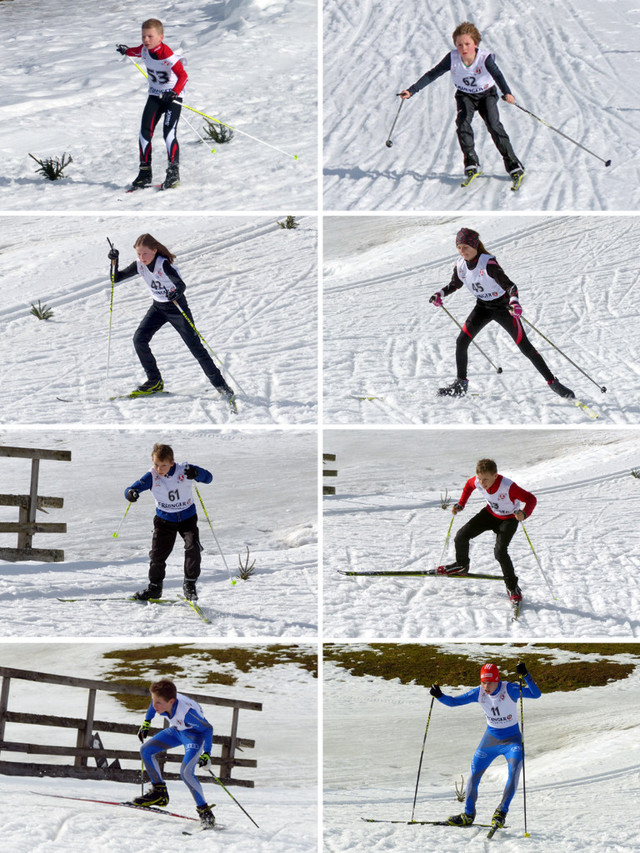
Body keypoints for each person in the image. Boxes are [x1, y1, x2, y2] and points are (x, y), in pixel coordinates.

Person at [431, 227, 575, 400]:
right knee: (461, 341)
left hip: (503, 308)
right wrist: (440, 294)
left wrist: (514, 301)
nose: (462, 251)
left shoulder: (488, 263)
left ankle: (553, 383)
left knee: (525, 346)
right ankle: (461, 384)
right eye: (459, 247)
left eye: (466, 247)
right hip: (482, 308)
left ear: (475, 245)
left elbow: (510, 286)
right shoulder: (460, 266)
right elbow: (455, 284)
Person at [108, 233, 236, 408]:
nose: (141, 257)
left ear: (154, 250)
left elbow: (180, 284)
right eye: (138, 254)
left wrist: (175, 292)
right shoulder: (139, 265)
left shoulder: (163, 264)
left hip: (177, 309)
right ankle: (154, 382)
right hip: (158, 308)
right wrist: (114, 262)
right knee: (139, 339)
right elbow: (115, 279)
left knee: (196, 348)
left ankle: (222, 386)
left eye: (144, 253)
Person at [400, 21, 523, 183]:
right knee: (463, 123)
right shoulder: (452, 58)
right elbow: (433, 74)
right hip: (465, 96)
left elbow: (498, 76)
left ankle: (513, 163)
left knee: (494, 125)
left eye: (467, 44)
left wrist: (507, 92)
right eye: (459, 45)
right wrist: (412, 90)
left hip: (487, 95)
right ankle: (471, 161)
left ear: (475, 44)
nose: (463, 48)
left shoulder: (484, 58)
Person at [429, 661, 540, 828]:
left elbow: (536, 694)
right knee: (474, 773)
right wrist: (439, 696)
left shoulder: (509, 689)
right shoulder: (479, 693)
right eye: (483, 682)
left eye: (489, 682)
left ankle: (501, 812)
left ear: (497, 680)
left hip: (512, 740)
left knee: (515, 770)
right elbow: (454, 702)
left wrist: (525, 675)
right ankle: (468, 815)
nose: (486, 686)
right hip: (491, 739)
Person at [438, 458, 536, 604]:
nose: (482, 483)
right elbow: (468, 486)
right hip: (490, 514)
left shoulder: (508, 486)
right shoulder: (477, 481)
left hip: (509, 519)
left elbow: (531, 499)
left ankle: (513, 587)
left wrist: (525, 513)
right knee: (461, 536)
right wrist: (461, 504)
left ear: (495, 476)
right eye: (480, 479)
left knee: (500, 552)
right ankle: (461, 566)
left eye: (486, 479)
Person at [125, 442, 212, 601]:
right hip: (164, 521)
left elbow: (209, 478)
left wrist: (197, 473)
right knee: (157, 555)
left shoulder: (184, 470)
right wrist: (132, 493)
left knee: (193, 548)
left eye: (163, 465)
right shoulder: (152, 476)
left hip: (187, 518)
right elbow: (133, 488)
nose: (159, 469)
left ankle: (190, 585)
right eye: (156, 464)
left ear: (172, 463)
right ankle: (155, 588)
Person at [116, 18, 187, 190]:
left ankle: (173, 173)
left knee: (168, 134)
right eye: (143, 36)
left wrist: (174, 93)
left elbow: (183, 76)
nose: (146, 40)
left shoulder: (166, 54)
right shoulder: (144, 50)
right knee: (144, 132)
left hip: (172, 98)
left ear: (160, 37)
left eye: (150, 36)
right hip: (155, 96)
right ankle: (145, 172)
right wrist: (126, 51)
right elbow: (136, 51)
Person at [135, 678, 215, 828]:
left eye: (158, 703)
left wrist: (207, 753)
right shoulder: (163, 701)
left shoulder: (188, 713)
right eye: (153, 700)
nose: (154, 705)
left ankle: (205, 812)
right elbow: (154, 706)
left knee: (186, 772)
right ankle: (160, 794)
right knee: (146, 750)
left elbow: (208, 729)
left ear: (171, 702)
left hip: (194, 735)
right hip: (178, 731)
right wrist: (147, 722)